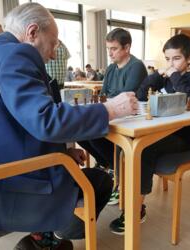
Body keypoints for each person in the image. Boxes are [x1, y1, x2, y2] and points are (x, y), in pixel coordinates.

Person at [0, 3, 139, 250]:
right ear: (32, 32)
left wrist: (60, 152)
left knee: (74, 166)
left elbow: (11, 123)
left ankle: (42, 237)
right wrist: (111, 109)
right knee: (99, 180)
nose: (54, 54)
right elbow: (46, 120)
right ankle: (49, 239)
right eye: (54, 43)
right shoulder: (15, 55)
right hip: (4, 187)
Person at [109, 33, 190, 235]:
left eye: (177, 59)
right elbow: (141, 93)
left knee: (144, 149)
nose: (171, 64)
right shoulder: (165, 80)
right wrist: (157, 75)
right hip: (163, 132)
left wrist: (174, 75)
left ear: (189, 59)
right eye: (168, 59)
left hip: (183, 138)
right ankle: (123, 190)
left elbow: (189, 97)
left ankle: (137, 207)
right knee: (125, 146)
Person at [78, 28, 147, 197]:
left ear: (127, 48)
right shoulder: (110, 68)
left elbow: (125, 97)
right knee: (79, 130)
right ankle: (106, 164)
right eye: (108, 48)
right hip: (113, 113)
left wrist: (107, 101)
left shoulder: (136, 66)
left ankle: (118, 172)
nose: (110, 53)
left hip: (130, 118)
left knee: (94, 133)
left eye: (114, 48)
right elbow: (104, 94)